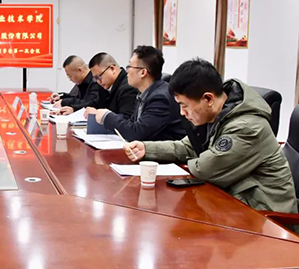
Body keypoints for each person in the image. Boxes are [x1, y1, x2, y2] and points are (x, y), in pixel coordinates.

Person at [124, 58, 297, 213]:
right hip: (233, 204)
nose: (182, 113)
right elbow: (188, 147)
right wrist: (146, 148)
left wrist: (190, 162)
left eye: (184, 106)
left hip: (265, 218)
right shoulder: (217, 114)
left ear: (208, 99)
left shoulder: (246, 127)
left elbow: (205, 169)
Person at [87, 46, 185, 141]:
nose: (127, 72)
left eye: (129, 67)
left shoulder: (160, 98)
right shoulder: (143, 93)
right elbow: (131, 123)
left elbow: (136, 133)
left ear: (143, 72)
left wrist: (107, 116)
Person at [60, 52, 137, 118]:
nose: (98, 81)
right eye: (95, 78)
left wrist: (101, 115)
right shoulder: (106, 85)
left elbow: (126, 118)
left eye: (99, 77)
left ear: (112, 69)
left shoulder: (128, 87)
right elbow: (96, 104)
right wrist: (74, 109)